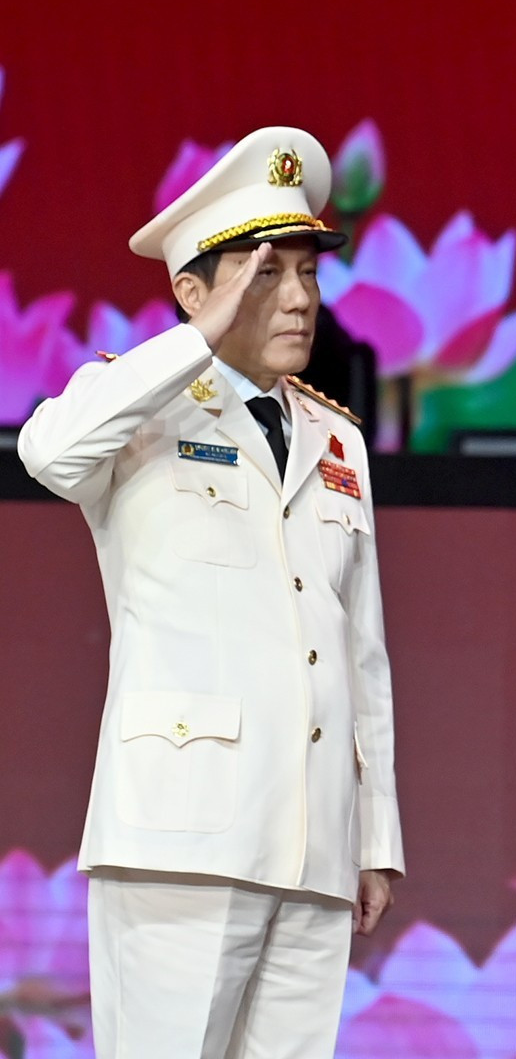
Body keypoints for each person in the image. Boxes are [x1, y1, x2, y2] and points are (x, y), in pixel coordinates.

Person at [17, 127, 404, 1058]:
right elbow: (45, 452)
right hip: (181, 835)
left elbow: (363, 652)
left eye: (308, 273)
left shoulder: (336, 439)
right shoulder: (138, 411)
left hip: (313, 836)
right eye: (265, 273)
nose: (300, 298)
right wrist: (195, 339)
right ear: (193, 289)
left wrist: (374, 835)